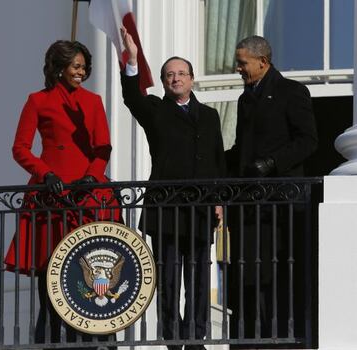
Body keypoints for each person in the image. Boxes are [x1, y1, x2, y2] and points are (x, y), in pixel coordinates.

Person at [4, 40, 119, 348]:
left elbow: (103, 146)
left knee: (93, 270)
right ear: (59, 68)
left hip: (89, 195)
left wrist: (91, 177)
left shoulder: (93, 102)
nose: (81, 71)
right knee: (51, 276)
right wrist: (46, 173)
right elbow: (20, 148)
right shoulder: (37, 101)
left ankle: (97, 337)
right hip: (51, 195)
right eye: (76, 66)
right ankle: (51, 340)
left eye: (84, 66)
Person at [120, 27, 227, 350]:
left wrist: (220, 201)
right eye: (169, 75)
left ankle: (196, 337)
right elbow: (131, 97)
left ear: (192, 79)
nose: (175, 79)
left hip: (201, 204)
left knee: (198, 276)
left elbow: (217, 160)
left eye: (181, 74)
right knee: (168, 278)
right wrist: (133, 60)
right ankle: (172, 338)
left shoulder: (208, 116)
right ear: (165, 81)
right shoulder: (155, 110)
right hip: (167, 206)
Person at [226, 35, 318, 341]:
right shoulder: (245, 99)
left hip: (282, 204)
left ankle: (283, 338)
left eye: (242, 62)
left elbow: (308, 140)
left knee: (281, 275)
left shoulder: (292, 92)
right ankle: (250, 339)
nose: (237, 68)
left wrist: (271, 163)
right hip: (249, 205)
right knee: (248, 275)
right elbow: (241, 149)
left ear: (262, 62)